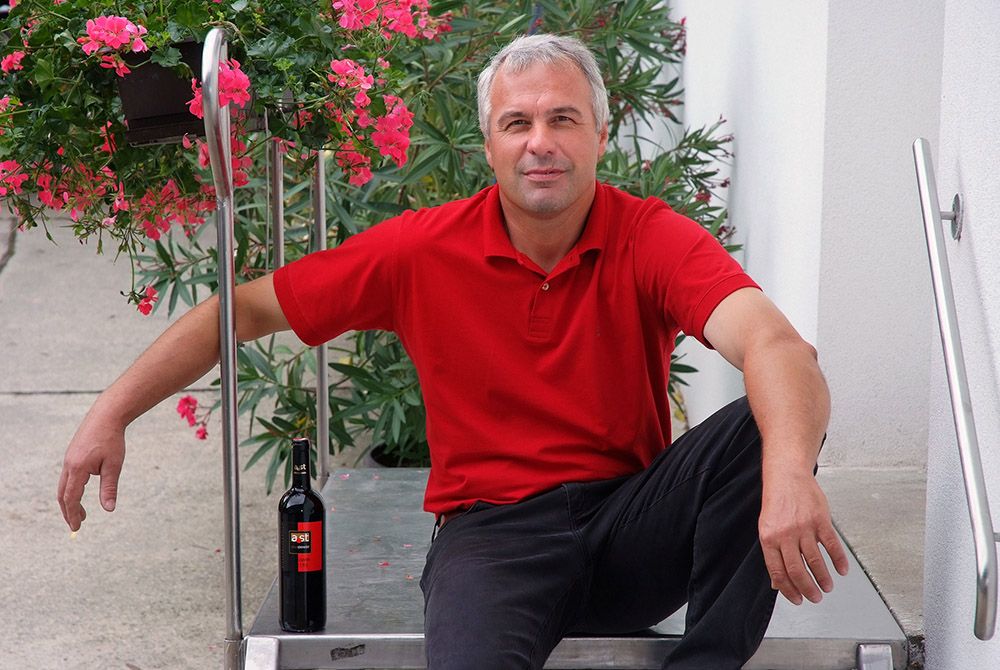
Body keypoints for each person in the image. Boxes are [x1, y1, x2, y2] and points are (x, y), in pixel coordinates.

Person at [58, 34, 848, 669]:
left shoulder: (648, 235)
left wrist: (786, 479)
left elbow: (778, 345)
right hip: (493, 542)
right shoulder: (422, 251)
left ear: (600, 135)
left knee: (764, 421)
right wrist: (111, 410)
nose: (541, 143)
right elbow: (243, 310)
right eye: (519, 123)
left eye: (563, 119)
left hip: (628, 526)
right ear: (489, 144)